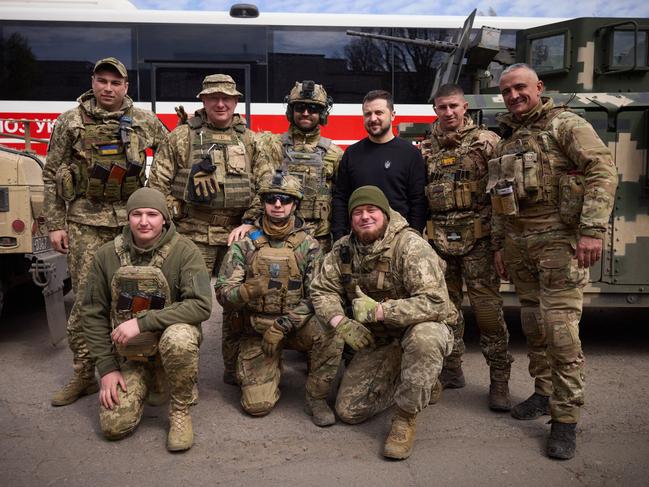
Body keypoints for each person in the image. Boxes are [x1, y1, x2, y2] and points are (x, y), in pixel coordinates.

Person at [488, 63, 617, 459]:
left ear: (539, 87)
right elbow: (498, 197)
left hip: (559, 246)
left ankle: (565, 419)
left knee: (561, 333)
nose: (513, 96)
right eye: (506, 91)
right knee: (533, 325)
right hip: (518, 246)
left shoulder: (565, 125)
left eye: (520, 88)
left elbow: (603, 169)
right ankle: (543, 393)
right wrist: (498, 245)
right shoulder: (508, 139)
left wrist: (592, 229)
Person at [43, 57, 168, 407]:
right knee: (87, 299)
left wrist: (160, 207)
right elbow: (52, 174)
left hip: (132, 224)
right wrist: (55, 224)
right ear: (93, 82)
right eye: (102, 81)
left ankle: (143, 367)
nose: (108, 88)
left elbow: (170, 156)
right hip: (84, 222)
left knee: (139, 294)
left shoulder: (144, 120)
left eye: (116, 83)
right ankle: (84, 373)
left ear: (126, 86)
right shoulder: (70, 122)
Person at [311, 186, 454, 460]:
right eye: (358, 212)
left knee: (426, 339)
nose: (365, 217)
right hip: (381, 340)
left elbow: (438, 303)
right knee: (349, 412)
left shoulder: (410, 246)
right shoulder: (343, 250)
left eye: (372, 210)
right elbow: (322, 289)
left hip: (419, 327)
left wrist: (381, 311)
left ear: (385, 214)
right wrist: (339, 320)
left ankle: (405, 417)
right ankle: (414, 378)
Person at [148, 74, 270, 386]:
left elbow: (268, 186)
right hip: (191, 233)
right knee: (184, 304)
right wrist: (170, 229)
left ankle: (233, 369)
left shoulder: (252, 141)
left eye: (227, 98)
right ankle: (174, 371)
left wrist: (249, 220)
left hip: (236, 236)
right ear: (203, 100)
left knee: (237, 305)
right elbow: (158, 187)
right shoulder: (181, 138)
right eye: (213, 97)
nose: (220, 103)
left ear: (235, 102)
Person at [81, 187, 212, 451]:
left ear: (164, 218)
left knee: (180, 337)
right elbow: (92, 312)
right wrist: (106, 368)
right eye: (136, 214)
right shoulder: (106, 255)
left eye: (152, 214)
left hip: (169, 346)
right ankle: (150, 379)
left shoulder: (186, 252)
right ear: (127, 218)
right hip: (129, 353)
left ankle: (180, 409)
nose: (144, 221)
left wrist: (142, 322)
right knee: (114, 426)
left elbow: (200, 305)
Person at [215, 171, 342, 426]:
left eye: (285, 200)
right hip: (255, 329)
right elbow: (223, 293)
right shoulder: (245, 244)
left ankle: (316, 397)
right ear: (263, 203)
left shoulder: (310, 246)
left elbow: (317, 295)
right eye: (272, 199)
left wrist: (283, 325)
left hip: (293, 326)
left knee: (332, 331)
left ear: (294, 204)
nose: (277, 205)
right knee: (257, 406)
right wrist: (245, 292)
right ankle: (261, 366)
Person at [420, 83, 512, 410]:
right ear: (435, 110)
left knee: (487, 313)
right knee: (446, 310)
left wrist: (499, 243)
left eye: (454, 107)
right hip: (440, 242)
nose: (448, 113)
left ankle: (499, 380)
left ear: (465, 108)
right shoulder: (425, 148)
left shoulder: (488, 143)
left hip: (479, 242)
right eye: (442, 107)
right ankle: (451, 369)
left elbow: (502, 195)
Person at [229, 80, 343, 252]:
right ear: (291, 112)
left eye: (313, 109)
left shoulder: (335, 154)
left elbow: (341, 198)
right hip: (277, 238)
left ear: (322, 114)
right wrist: (249, 222)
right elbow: (260, 186)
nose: (305, 113)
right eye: (300, 108)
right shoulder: (271, 145)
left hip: (319, 240)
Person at [331, 90, 427, 242]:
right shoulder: (352, 153)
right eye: (367, 114)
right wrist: (340, 238)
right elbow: (341, 199)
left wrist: (414, 238)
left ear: (393, 115)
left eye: (379, 113)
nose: (373, 118)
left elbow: (418, 202)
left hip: (399, 241)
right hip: (359, 242)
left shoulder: (410, 154)